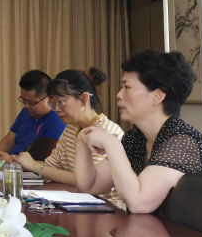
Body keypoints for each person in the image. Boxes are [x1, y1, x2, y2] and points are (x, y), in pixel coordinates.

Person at [75, 50, 202, 213]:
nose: (119, 94)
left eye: (127, 87)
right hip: (153, 228)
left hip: (191, 230)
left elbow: (138, 203)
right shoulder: (136, 138)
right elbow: (90, 185)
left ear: (157, 97)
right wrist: (83, 139)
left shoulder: (182, 141)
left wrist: (111, 144)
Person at [16, 67, 124, 206]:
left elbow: (89, 182)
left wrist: (35, 166)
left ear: (84, 99)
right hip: (75, 202)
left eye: (61, 102)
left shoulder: (106, 131)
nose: (57, 109)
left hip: (105, 206)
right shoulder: (71, 129)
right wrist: (28, 164)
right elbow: (50, 166)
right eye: (53, 103)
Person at [0, 70, 65, 162]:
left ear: (49, 98)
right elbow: (8, 142)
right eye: (24, 100)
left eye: (31, 103)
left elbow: (41, 162)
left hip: (26, 168)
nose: (26, 106)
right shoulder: (27, 112)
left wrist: (11, 160)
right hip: (10, 165)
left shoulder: (57, 121)